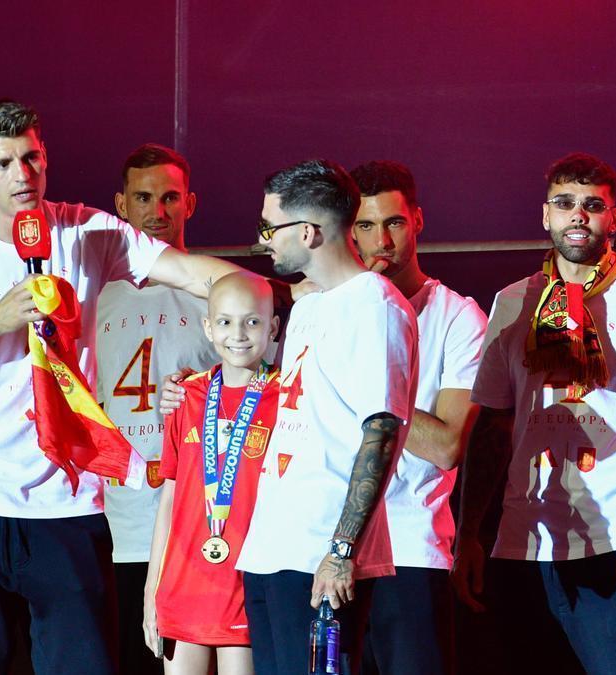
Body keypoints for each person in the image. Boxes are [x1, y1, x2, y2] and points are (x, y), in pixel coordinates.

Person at [0, 98, 243, 674]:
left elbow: (190, 271)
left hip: (67, 498)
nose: (22, 176)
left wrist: (285, 294)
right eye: (4, 164)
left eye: (32, 159)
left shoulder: (86, 229)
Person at [452, 152, 616, 674]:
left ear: (613, 218)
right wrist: (471, 532)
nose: (578, 216)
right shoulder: (511, 302)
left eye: (593, 205)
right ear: (546, 215)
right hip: (525, 540)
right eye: (565, 204)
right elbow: (493, 424)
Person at [236, 159, 418, 674]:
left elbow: (380, 430)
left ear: (310, 232)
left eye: (271, 227)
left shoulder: (374, 304)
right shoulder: (312, 307)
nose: (264, 240)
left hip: (321, 555)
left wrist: (340, 551)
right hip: (273, 547)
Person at [347, 160, 486, 675]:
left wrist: (365, 385)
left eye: (394, 222)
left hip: (410, 546)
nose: (381, 239)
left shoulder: (459, 317)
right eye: (365, 224)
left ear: (418, 220)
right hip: (329, 546)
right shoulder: (330, 311)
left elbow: (448, 445)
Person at [97, 143, 216, 675]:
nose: (157, 211)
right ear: (121, 205)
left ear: (190, 203)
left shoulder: (221, 298)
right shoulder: (88, 296)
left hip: (193, 528)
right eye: (143, 197)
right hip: (106, 524)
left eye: (170, 197)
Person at [144, 271, 280, 675]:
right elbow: (168, 498)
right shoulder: (186, 395)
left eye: (252, 321)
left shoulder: (285, 396)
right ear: (207, 327)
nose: (238, 333)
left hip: (246, 584)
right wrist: (153, 590)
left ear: (273, 327)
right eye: (224, 321)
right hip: (183, 584)